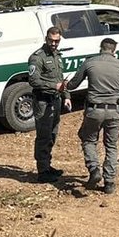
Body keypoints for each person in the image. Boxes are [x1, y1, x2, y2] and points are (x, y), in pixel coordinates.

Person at [66, 37, 119, 193]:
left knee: (88, 140)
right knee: (111, 146)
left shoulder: (89, 63)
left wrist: (63, 86)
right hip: (114, 111)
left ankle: (94, 170)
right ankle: (110, 182)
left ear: (101, 48)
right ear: (114, 50)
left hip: (94, 110)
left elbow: (73, 84)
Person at [28, 26, 72, 182]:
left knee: (52, 134)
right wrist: (54, 87)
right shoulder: (37, 57)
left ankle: (47, 166)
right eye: (51, 41)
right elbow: (33, 80)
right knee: (43, 136)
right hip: (42, 102)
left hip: (55, 101)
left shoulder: (57, 56)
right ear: (46, 39)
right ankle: (42, 171)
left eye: (57, 41)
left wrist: (66, 95)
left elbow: (61, 79)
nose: (54, 44)